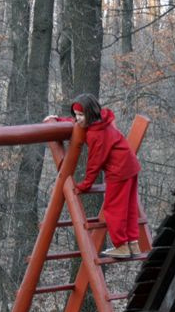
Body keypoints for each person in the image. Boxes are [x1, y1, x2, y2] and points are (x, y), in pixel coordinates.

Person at [46, 93, 143, 258]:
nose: (78, 119)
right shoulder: (102, 121)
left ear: (90, 113)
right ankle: (133, 243)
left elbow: (94, 163)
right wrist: (58, 120)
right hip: (129, 166)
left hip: (118, 170)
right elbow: (77, 124)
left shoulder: (96, 134)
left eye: (81, 115)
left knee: (114, 208)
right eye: (76, 115)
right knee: (129, 206)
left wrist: (85, 184)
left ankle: (121, 246)